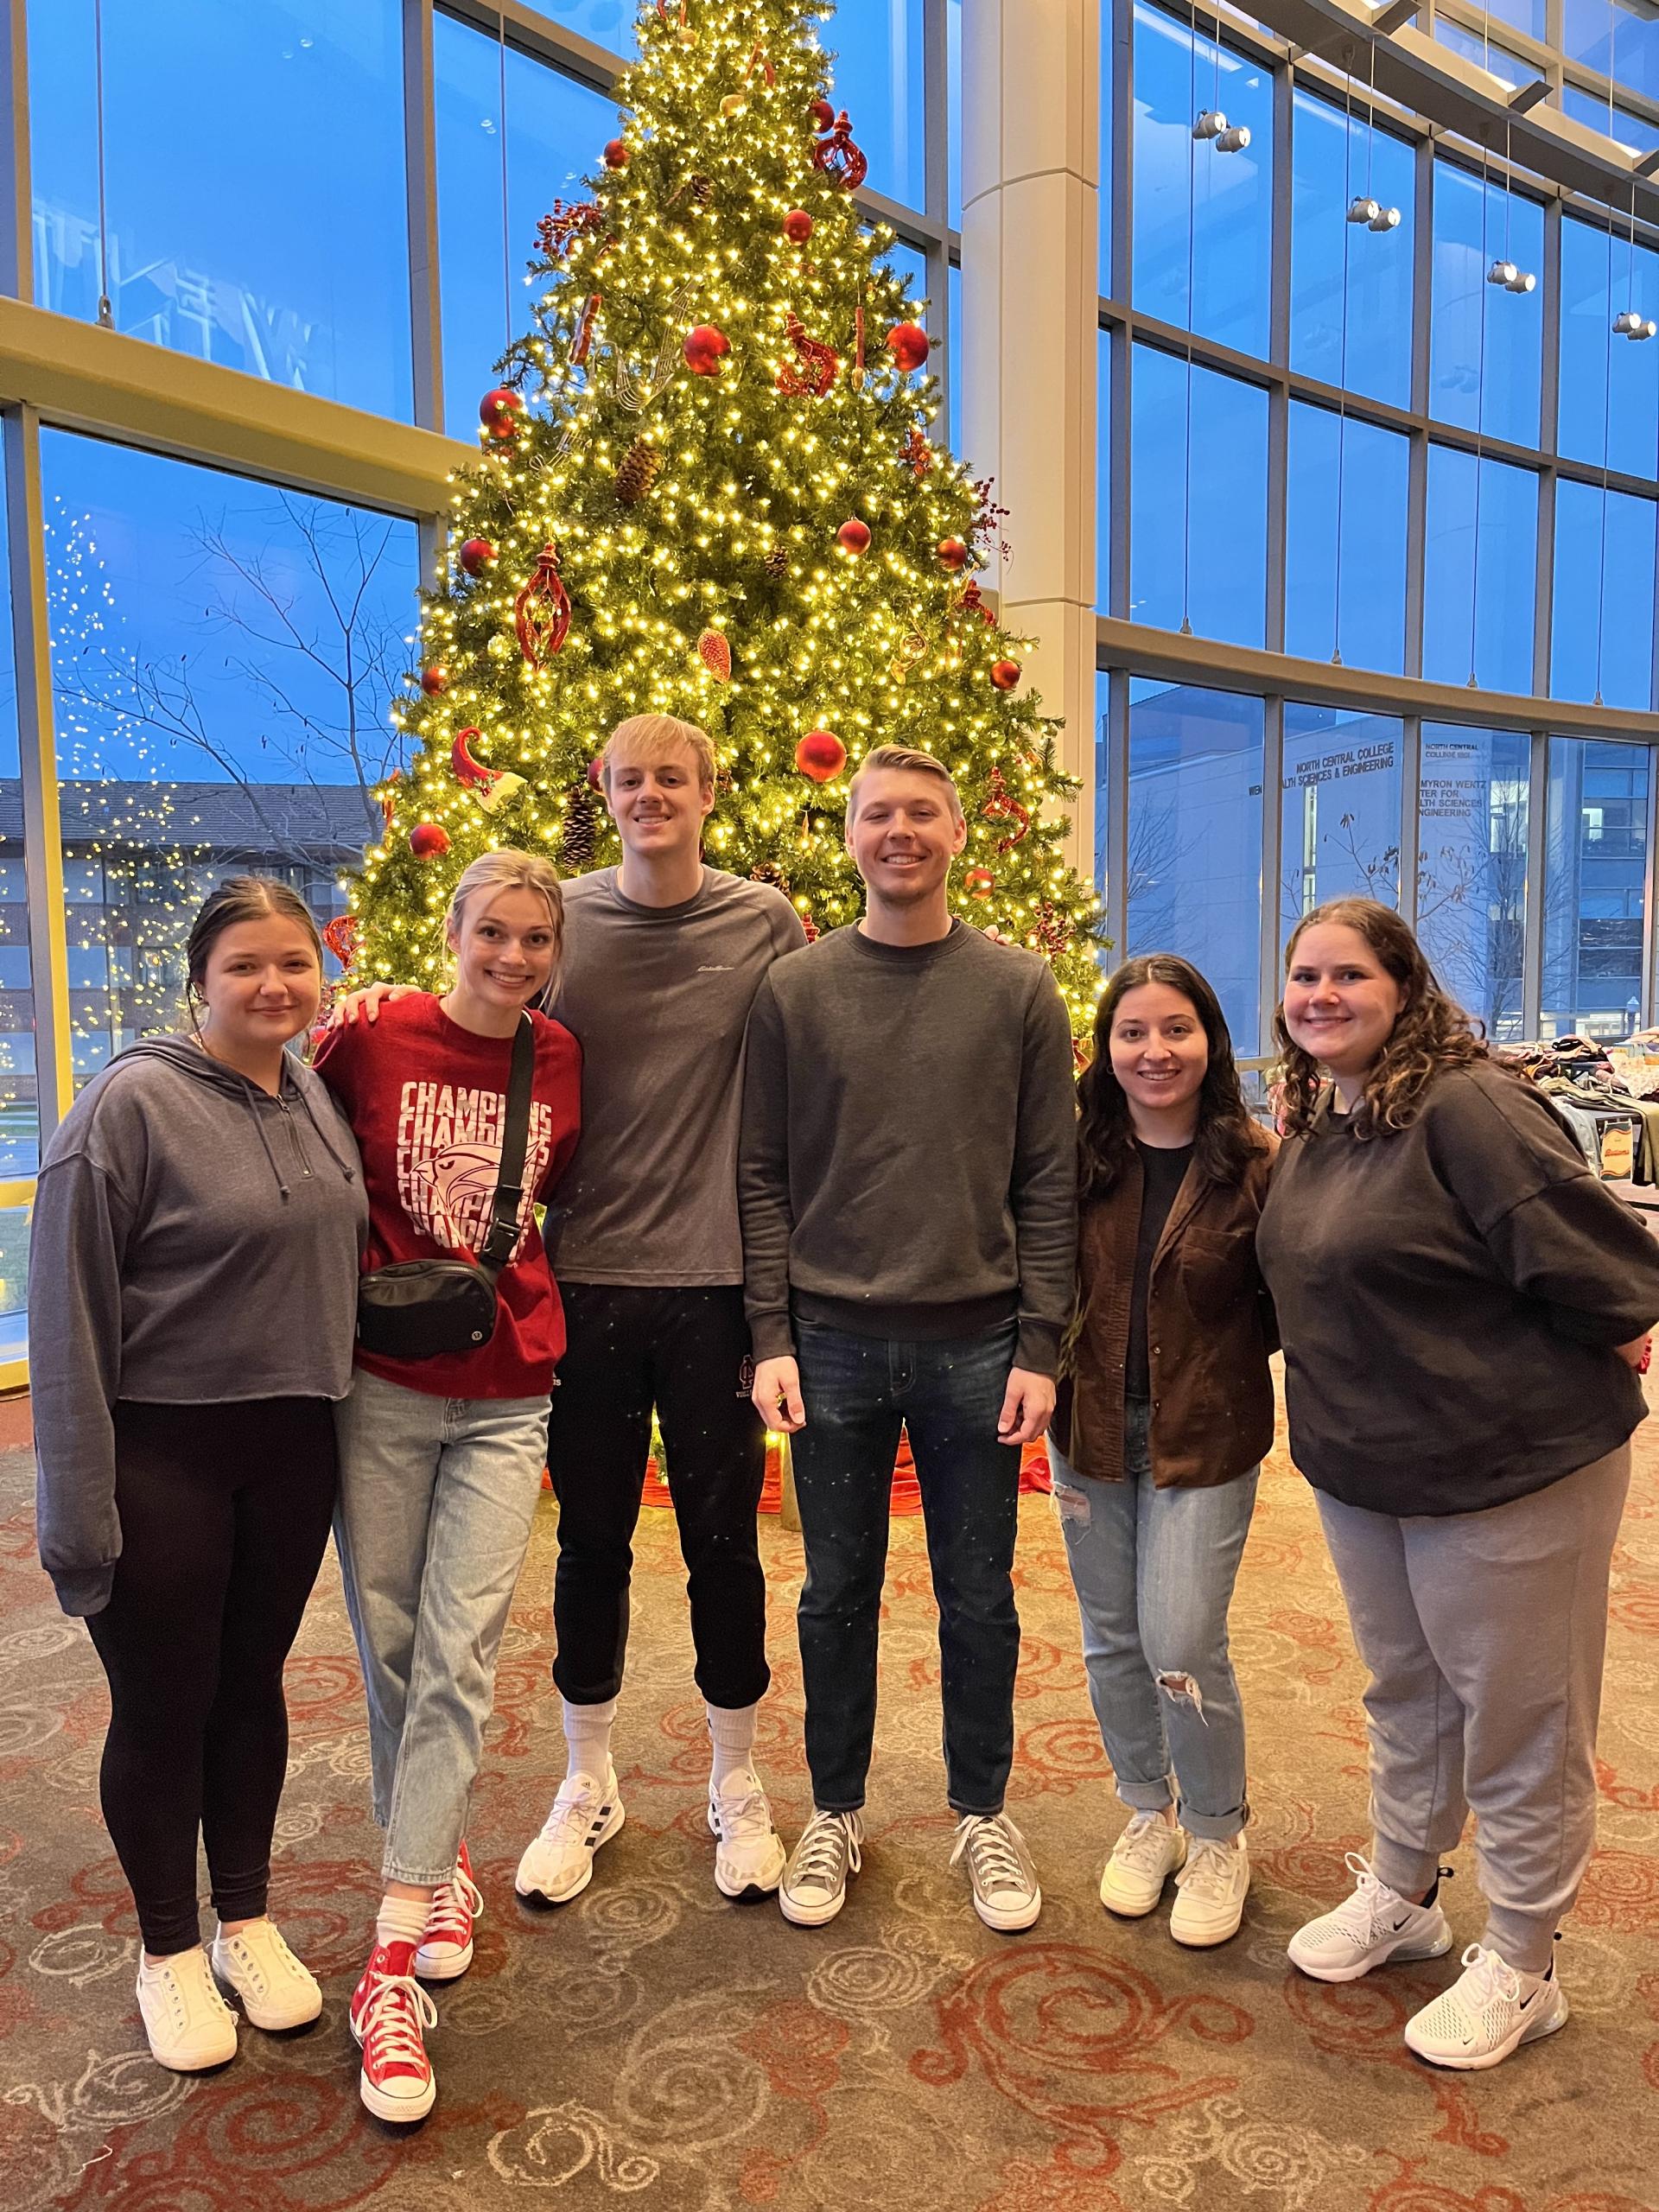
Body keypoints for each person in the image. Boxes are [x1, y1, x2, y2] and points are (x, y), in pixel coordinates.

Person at [337, 714, 807, 1907]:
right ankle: (586, 1779)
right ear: (604, 792)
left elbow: (806, 1081)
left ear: (710, 792)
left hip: (710, 1289)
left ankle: (735, 1782)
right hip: (581, 1288)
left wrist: (777, 1310)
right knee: (591, 1546)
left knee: (722, 1549)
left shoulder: (763, 921)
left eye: (674, 778)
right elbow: (470, 1018)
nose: (653, 795)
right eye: (630, 778)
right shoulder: (560, 923)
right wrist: (378, 989)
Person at [1257, 897, 1659, 2070]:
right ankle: (1406, 1892)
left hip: (1508, 1467)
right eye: (1303, 978)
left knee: (1522, 1718)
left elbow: (1607, 1270)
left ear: (1404, 986)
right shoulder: (1326, 1114)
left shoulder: (1469, 1105)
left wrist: (1579, 1343)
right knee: (1410, 1693)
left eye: (1348, 976)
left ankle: (1527, 1962)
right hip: (1364, 1465)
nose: (1321, 996)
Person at [29, 878, 366, 2074]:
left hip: (289, 1451)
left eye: (294, 963)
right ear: (199, 978)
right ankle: (166, 1949)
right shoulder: (129, 1107)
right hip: (161, 1451)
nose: (274, 985)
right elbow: (65, 1322)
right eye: (245, 968)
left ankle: (244, 1918)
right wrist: (73, 1507)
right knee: (165, 1706)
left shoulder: (316, 1091)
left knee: (251, 1689)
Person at [741, 744, 1077, 1932]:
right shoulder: (794, 990)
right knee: (834, 1591)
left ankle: (982, 1811)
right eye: (877, 813)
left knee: (977, 1594)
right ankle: (833, 1809)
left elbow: (1049, 1179)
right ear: (849, 837)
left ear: (956, 832)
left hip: (979, 1343)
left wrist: (1043, 1346)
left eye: (922, 812)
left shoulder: (1021, 989)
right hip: (826, 1341)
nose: (900, 831)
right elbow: (763, 1175)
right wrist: (768, 1334)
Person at [315, 851, 580, 2124]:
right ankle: (443, 1857)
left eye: (536, 939)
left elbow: (557, 1204)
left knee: (461, 1651)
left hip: (511, 1385)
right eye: (493, 933)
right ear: (453, 930)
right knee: (394, 1641)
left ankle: (392, 1937)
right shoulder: (370, 1037)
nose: (513, 957)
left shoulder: (562, 1058)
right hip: (378, 1381)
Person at [1048, 955, 1274, 1948]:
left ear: (1210, 1042)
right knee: (1112, 1638)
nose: (1154, 1051)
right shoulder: (1073, 1159)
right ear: (1105, 1049)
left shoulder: (1255, 1165)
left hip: (1205, 1438)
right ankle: (1151, 1810)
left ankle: (1220, 1830)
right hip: (1089, 1431)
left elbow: (1286, 1307)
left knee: (1180, 1640)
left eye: (1175, 1029)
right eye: (1132, 1032)